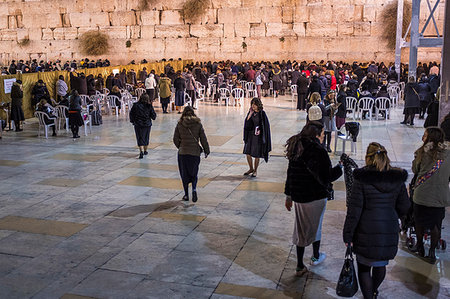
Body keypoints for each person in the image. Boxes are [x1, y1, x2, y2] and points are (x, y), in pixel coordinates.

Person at [343, 142, 410, 299]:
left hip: (365, 229)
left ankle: (368, 296)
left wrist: (348, 234)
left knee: (364, 268)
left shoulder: (361, 179)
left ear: (368, 158)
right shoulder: (397, 178)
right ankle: (373, 291)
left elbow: (354, 210)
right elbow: (405, 207)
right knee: (381, 263)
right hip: (388, 229)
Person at [285, 121, 342, 276]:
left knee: (300, 229)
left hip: (299, 196)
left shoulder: (296, 146)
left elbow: (290, 172)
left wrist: (288, 195)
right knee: (316, 226)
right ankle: (315, 256)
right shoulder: (318, 151)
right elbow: (327, 176)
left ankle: (299, 264)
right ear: (316, 134)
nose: (323, 137)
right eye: (322, 134)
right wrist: (341, 167)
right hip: (315, 196)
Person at [411, 127, 450, 264]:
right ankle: (432, 252)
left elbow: (415, 169)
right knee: (436, 225)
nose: (423, 137)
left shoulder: (422, 152)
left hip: (422, 195)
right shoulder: (448, 153)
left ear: (429, 138)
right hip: (439, 197)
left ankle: (420, 246)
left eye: (425, 135)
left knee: (419, 222)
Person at [173, 106, 210, 202]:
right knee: (194, 173)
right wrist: (206, 150)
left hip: (183, 153)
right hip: (195, 153)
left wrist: (180, 147)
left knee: (184, 174)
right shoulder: (198, 124)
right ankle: (194, 189)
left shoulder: (180, 124)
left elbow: (175, 139)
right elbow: (203, 139)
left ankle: (186, 194)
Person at [243, 98, 271, 177]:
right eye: (252, 104)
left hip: (258, 137)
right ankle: (251, 168)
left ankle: (255, 170)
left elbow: (266, 126)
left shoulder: (262, 114)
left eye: (254, 104)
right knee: (247, 153)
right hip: (250, 135)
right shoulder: (251, 113)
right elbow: (247, 123)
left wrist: (262, 134)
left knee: (257, 154)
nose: (253, 106)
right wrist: (249, 115)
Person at [129, 94, 157, 159]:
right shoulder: (149, 106)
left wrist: (133, 121)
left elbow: (131, 114)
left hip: (138, 124)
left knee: (139, 137)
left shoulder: (135, 105)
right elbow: (153, 116)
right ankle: (145, 150)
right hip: (147, 124)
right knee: (146, 137)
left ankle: (141, 151)